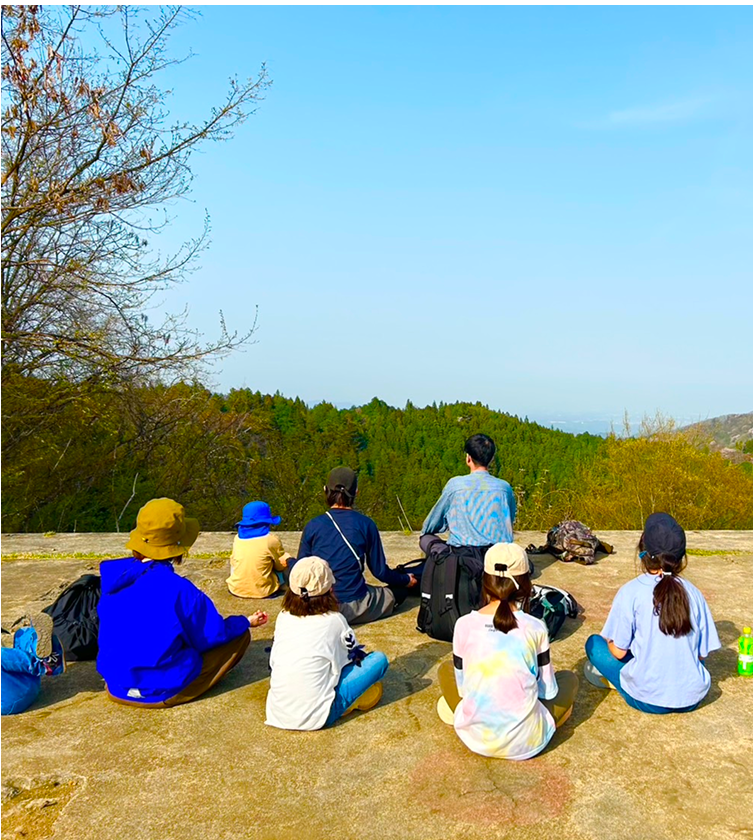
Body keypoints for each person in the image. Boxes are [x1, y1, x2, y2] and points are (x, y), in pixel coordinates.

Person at [97, 497, 268, 707]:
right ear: (176, 544)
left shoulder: (113, 579)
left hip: (117, 686)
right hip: (160, 692)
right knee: (239, 636)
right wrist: (244, 621)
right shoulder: (180, 590)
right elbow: (211, 635)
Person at [436, 542, 579, 759]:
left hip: (476, 739)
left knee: (445, 670)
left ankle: (458, 715)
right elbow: (547, 691)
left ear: (485, 581)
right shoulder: (536, 626)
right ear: (525, 584)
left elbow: (463, 689)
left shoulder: (463, 624)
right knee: (570, 679)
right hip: (526, 742)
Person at [584, 512, 720, 714]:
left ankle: (621, 682)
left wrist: (613, 642)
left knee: (594, 644)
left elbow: (619, 651)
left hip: (647, 700)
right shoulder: (694, 593)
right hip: (692, 699)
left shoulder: (631, 591)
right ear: (681, 558)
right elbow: (701, 655)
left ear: (643, 552)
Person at [265, 556, 388, 730]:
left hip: (277, 712)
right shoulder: (334, 620)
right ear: (329, 589)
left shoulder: (283, 616)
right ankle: (347, 703)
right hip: (319, 716)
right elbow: (356, 657)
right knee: (379, 660)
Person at [294, 467, 418, 625]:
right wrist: (405, 579)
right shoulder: (366, 524)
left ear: (326, 491)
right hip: (354, 605)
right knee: (399, 592)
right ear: (356, 493)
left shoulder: (313, 525)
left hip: (319, 606)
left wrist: (289, 562)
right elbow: (380, 572)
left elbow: (301, 568)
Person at [420, 433, 517, 559]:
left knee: (425, 538)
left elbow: (430, 525)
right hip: (499, 556)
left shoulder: (455, 485)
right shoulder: (505, 488)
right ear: (491, 459)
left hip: (463, 556)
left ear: (468, 458)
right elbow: (509, 518)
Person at [1, 613, 65, 716]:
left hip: (21, 683)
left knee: (20, 634)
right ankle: (47, 665)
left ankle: (43, 651)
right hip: (11, 700)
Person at [227, 500, 292, 598]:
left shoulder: (237, 538)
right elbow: (280, 566)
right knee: (286, 564)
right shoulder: (271, 540)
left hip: (235, 588)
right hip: (262, 591)